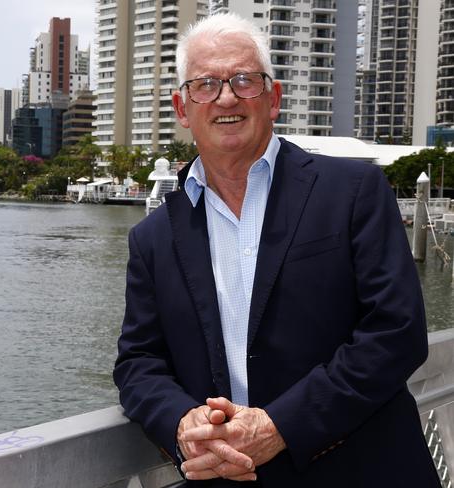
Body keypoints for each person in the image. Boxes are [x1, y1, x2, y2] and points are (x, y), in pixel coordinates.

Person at [113, 13, 440, 487]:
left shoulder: (353, 192)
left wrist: (280, 426)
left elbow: (396, 332)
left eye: (244, 80)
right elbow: (138, 363)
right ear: (182, 108)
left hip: (365, 470)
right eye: (205, 84)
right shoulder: (154, 237)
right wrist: (184, 424)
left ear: (274, 98)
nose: (226, 97)